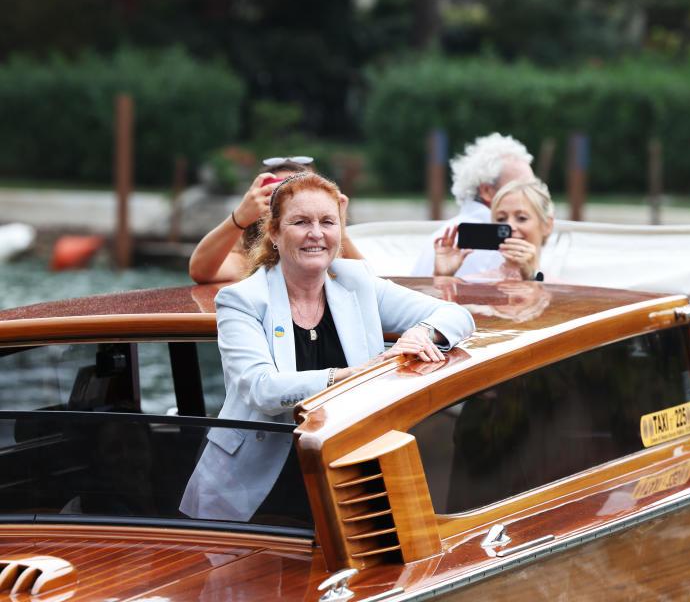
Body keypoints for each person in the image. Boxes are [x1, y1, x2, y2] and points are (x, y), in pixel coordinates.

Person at [180, 173, 474, 523]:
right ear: (273, 233)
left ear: (340, 231)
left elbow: (456, 314)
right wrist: (351, 376)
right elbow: (262, 390)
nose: (316, 233)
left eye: (327, 222)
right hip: (249, 494)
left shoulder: (358, 282)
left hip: (342, 477)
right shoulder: (241, 299)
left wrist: (422, 334)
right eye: (301, 222)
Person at [188, 156, 363, 284]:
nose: (290, 201)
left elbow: (365, 280)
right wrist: (240, 216)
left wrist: (337, 223)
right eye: (278, 192)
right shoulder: (248, 261)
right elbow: (200, 271)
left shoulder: (330, 257)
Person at [410, 133, 535, 277]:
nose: (532, 194)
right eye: (521, 186)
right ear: (487, 191)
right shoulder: (501, 242)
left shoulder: (444, 234)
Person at [433, 178, 555, 282]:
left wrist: (531, 278)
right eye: (501, 219)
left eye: (521, 218)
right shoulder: (475, 284)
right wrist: (442, 277)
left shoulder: (564, 289)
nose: (510, 226)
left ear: (547, 225)